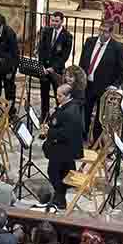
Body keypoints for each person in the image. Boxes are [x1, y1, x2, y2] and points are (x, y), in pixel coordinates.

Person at [79, 21, 123, 142]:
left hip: (103, 87)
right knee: (85, 111)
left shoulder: (116, 48)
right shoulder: (90, 41)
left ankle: (96, 140)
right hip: (88, 84)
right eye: (100, 30)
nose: (101, 33)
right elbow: (82, 60)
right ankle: (82, 136)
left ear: (110, 33)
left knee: (100, 117)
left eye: (105, 31)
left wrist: (114, 85)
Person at [41, 84, 84, 212]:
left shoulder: (70, 112)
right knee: (62, 172)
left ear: (68, 96)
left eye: (60, 96)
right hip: (67, 146)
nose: (57, 97)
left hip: (65, 148)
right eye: (57, 95)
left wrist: (49, 131)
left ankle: (60, 198)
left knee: (53, 172)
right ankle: (60, 195)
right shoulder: (70, 106)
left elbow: (65, 134)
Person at [38, 12, 73, 120]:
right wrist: (41, 65)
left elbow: (65, 56)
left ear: (62, 21)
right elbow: (41, 49)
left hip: (57, 71)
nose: (54, 23)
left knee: (58, 95)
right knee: (44, 94)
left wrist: (53, 68)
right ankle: (44, 116)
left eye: (56, 21)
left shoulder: (67, 36)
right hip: (44, 69)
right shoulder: (46, 32)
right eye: (52, 20)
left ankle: (58, 117)